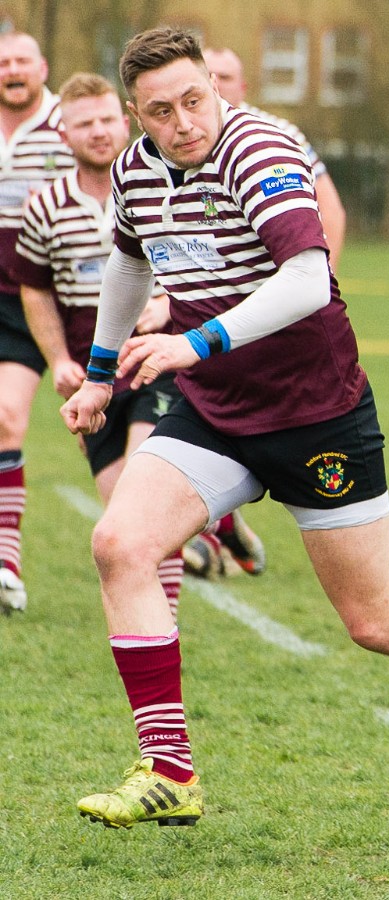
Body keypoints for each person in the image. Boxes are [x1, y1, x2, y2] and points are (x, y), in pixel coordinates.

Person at [62, 29, 389, 827]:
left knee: (373, 622)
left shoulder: (259, 148)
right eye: (162, 110)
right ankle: (170, 770)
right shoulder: (134, 171)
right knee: (120, 544)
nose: (185, 120)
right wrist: (101, 372)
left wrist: (193, 341)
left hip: (317, 415)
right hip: (215, 411)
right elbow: (128, 261)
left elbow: (309, 279)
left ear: (213, 88)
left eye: (196, 98)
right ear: (134, 114)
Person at [13, 73, 185, 616]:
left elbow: (208, 264)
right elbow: (35, 289)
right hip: (96, 377)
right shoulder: (45, 206)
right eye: (84, 122)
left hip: (163, 361)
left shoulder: (168, 184)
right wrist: (59, 358)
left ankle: (167, 621)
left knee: (146, 490)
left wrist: (170, 306)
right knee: (122, 514)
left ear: (127, 119)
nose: (99, 131)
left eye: (108, 118)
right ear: (63, 134)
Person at [0, 31, 69, 615]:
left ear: (42, 67)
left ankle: (214, 521)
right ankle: (7, 564)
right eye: (3, 63)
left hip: (55, 293)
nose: (12, 70)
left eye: (22, 60)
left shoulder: (69, 125)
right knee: (5, 418)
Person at [202, 47, 347, 272]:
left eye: (226, 77)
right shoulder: (178, 136)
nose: (217, 83)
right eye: (209, 75)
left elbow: (330, 209)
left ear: (243, 87)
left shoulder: (280, 132)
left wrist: (325, 275)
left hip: (267, 274)